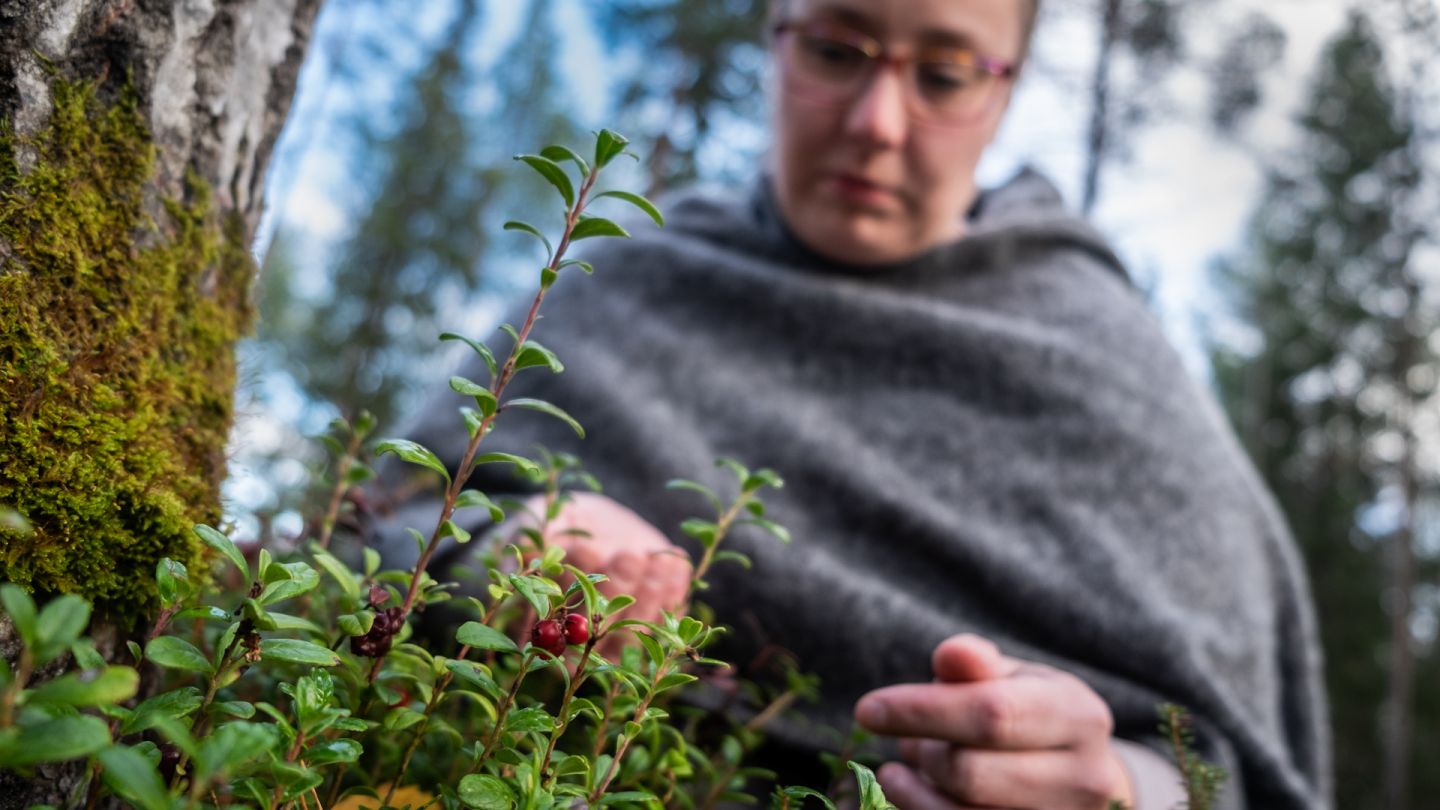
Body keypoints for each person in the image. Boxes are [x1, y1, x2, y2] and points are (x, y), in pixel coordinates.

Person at [374, 1, 1331, 808]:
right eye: (837, 49)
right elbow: (367, 540)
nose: (878, 119)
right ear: (774, 40)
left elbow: (1231, 755)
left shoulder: (1105, 357)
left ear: (1005, 90)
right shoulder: (616, 286)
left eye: (946, 73)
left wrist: (1125, 781)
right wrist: (510, 548)